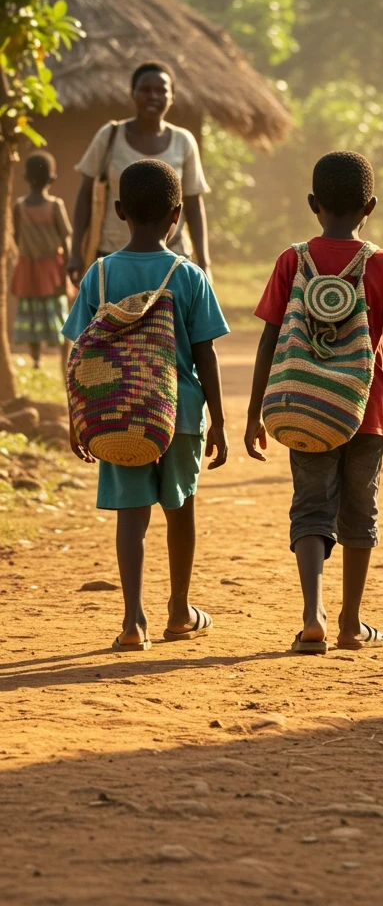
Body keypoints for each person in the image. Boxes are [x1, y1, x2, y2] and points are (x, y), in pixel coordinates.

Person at [245, 151, 383, 654]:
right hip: (366, 409)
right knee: (361, 515)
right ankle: (350, 623)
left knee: (311, 508)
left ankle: (311, 614)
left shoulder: (292, 260)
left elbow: (269, 339)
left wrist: (257, 411)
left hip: (305, 406)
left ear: (313, 204)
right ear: (372, 206)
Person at [64, 160, 229, 652]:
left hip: (117, 414)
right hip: (177, 413)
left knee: (130, 515)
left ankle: (133, 621)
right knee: (180, 509)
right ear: (177, 215)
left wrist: (78, 417)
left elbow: (80, 352)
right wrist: (217, 419)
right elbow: (206, 353)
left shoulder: (99, 275)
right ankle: (179, 611)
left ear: (119, 211)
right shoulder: (189, 275)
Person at [67, 62, 211, 284]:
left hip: (172, 259)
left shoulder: (184, 142)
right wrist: (76, 251)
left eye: (161, 90)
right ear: (132, 94)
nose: (153, 96)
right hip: (114, 255)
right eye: (145, 89)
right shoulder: (109, 136)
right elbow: (85, 194)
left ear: (172, 96)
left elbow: (193, 203)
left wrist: (204, 262)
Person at [11, 152, 72, 375]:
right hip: (51, 269)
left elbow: (16, 236)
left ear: (25, 178)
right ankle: (64, 357)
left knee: (30, 311)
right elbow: (65, 239)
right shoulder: (55, 205)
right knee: (58, 310)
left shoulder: (20, 207)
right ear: (52, 179)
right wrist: (68, 265)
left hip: (27, 266)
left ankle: (35, 359)